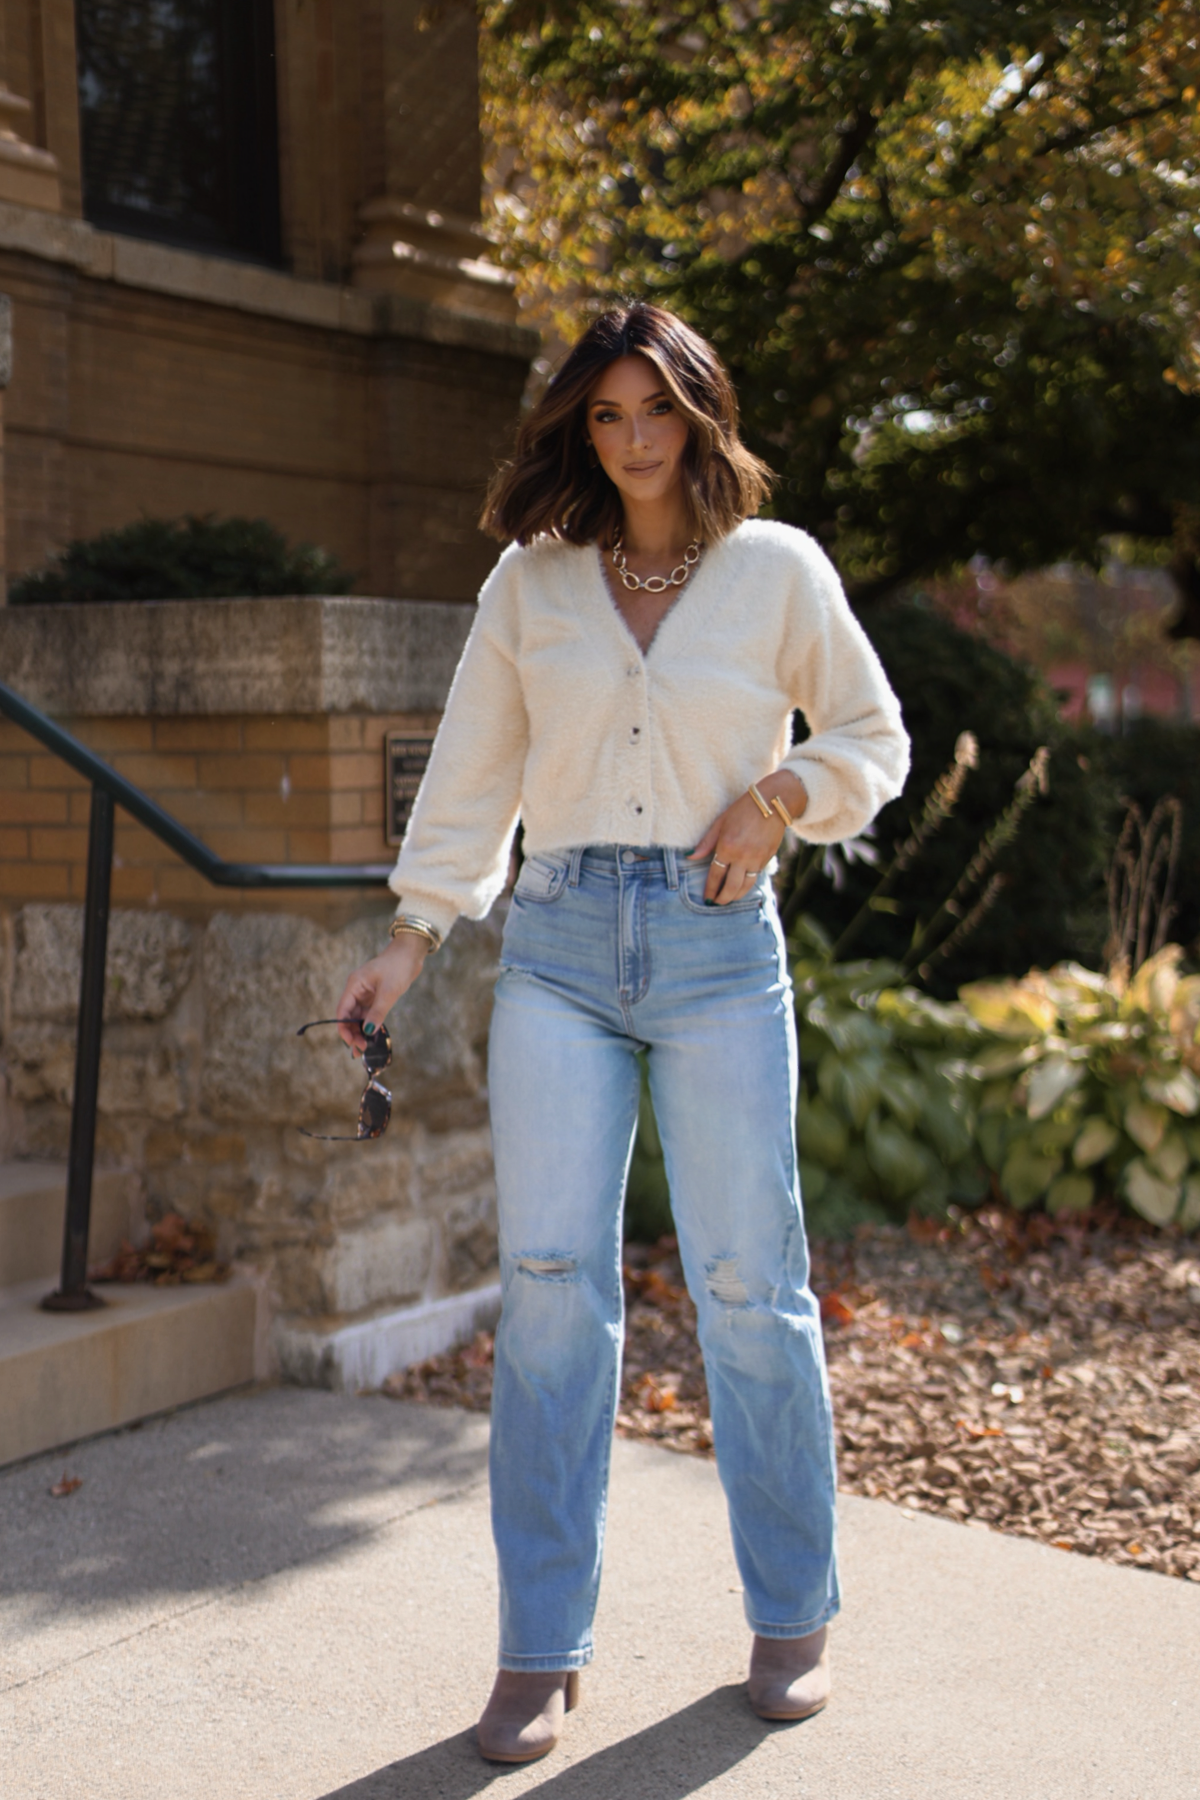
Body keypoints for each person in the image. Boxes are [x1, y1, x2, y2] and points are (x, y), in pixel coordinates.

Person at [334, 302, 910, 1764]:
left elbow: (872, 737)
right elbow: (473, 775)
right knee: (544, 1292)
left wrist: (778, 799)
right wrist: (409, 944)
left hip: (721, 953)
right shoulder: (532, 583)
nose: (634, 438)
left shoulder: (776, 570)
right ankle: (541, 1648)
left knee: (747, 1285)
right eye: (606, 415)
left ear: (700, 415)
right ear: (579, 429)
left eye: (656, 409)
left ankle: (792, 1615)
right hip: (564, 949)